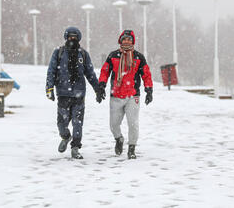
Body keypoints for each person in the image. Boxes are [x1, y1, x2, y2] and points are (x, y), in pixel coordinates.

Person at [46, 27, 104, 159]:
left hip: (79, 94)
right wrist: (49, 88)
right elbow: (51, 71)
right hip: (63, 93)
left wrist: (97, 89)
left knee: (78, 123)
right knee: (62, 123)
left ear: (78, 38)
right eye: (70, 37)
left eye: (75, 37)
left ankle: (76, 147)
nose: (72, 39)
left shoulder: (83, 54)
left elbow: (90, 73)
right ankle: (65, 136)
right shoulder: (58, 53)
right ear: (66, 38)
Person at [98, 30, 153, 159]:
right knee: (114, 125)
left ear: (133, 41)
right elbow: (105, 71)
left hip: (132, 96)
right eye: (124, 39)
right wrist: (101, 86)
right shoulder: (113, 56)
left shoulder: (138, 57)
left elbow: (146, 74)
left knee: (133, 124)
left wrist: (149, 90)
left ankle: (132, 148)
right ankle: (119, 139)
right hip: (116, 95)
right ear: (120, 40)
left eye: (129, 39)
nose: (126, 41)